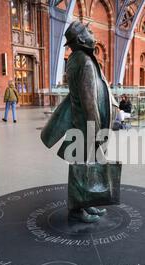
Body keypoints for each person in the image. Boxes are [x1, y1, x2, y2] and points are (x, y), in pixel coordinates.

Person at [41, 20, 119, 223]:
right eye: (89, 31)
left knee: (84, 165)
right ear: (82, 39)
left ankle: (85, 203)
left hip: (84, 125)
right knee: (80, 167)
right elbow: (89, 101)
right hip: (86, 126)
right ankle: (77, 210)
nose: (92, 33)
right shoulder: (83, 61)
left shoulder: (79, 58)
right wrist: (97, 130)